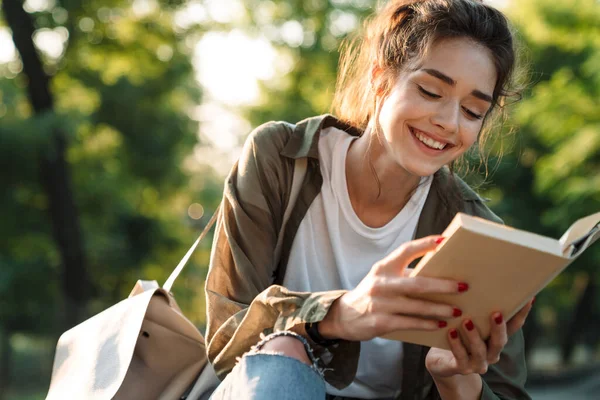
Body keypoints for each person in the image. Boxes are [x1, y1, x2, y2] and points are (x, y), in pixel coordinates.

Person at [204, 0, 533, 399]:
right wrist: (337, 315)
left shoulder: (479, 234)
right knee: (281, 350)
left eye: (472, 110)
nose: (449, 122)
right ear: (380, 79)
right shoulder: (280, 159)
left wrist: (455, 379)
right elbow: (225, 338)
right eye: (430, 91)